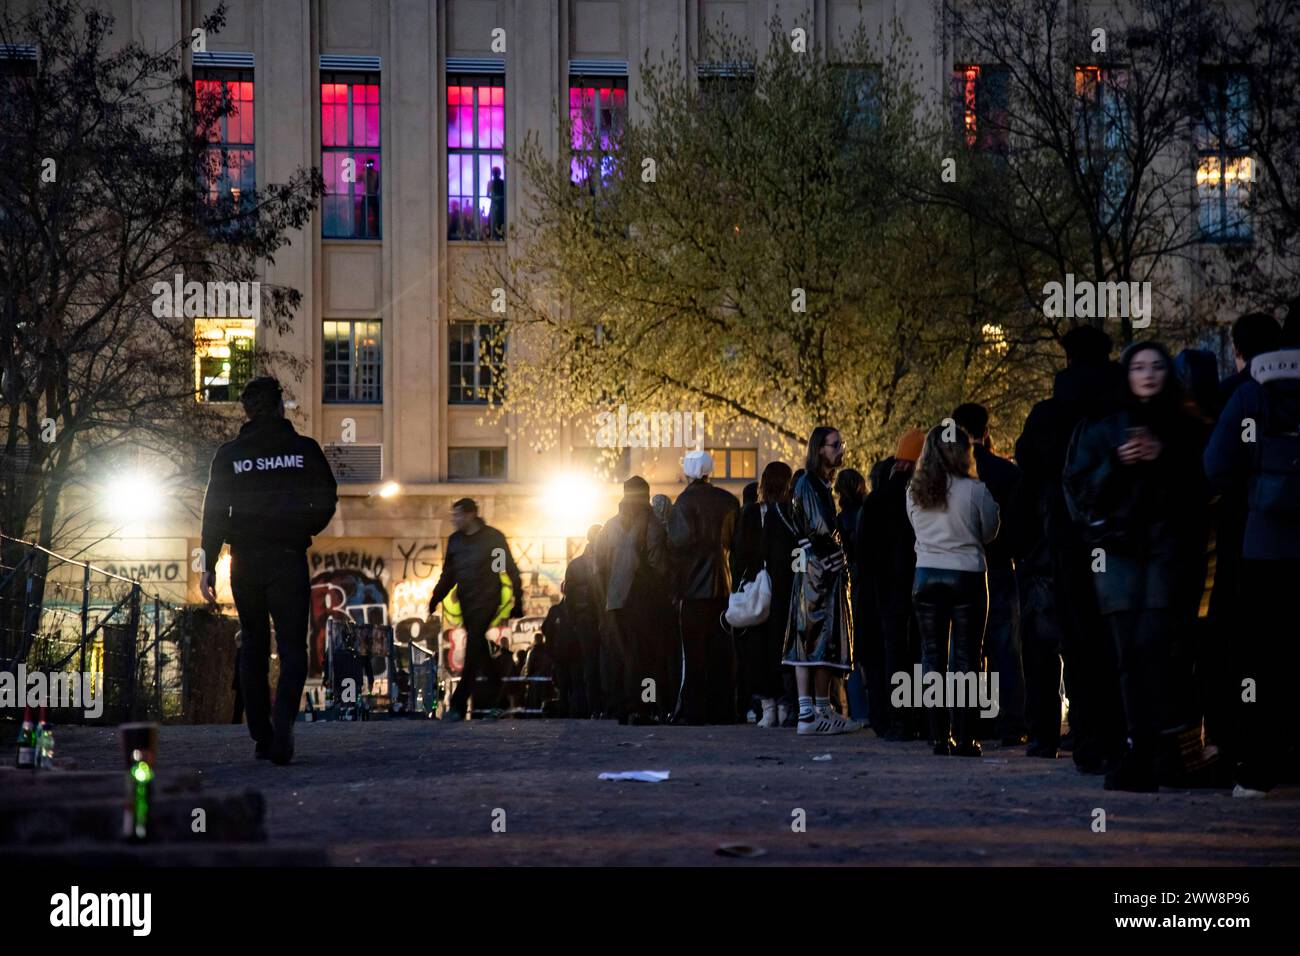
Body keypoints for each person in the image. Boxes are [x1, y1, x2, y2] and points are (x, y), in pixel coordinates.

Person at [1064, 342, 1209, 791]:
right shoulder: (1103, 428)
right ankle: (1142, 749)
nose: (1147, 374)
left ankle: (1167, 753)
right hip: (1120, 553)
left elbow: (1205, 485)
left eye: (1156, 366)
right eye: (1138, 367)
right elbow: (1078, 491)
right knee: (1130, 654)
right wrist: (1117, 463)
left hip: (1168, 551)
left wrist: (1163, 456)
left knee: (1161, 650)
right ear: (1125, 374)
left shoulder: (1186, 427)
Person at [199, 377, 337, 765]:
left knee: (254, 646)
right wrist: (304, 526)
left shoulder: (229, 455)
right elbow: (328, 496)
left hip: (245, 561)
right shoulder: (303, 450)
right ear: (279, 407)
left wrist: (206, 565)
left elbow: (212, 513)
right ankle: (284, 722)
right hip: (288, 557)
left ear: (246, 411)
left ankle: (262, 735)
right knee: (294, 647)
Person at [1015, 326, 1126, 773]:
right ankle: (1120, 735)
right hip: (1119, 538)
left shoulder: (1049, 414)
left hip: (1067, 539)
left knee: (1076, 641)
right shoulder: (1122, 408)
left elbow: (1028, 466)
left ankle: (1087, 739)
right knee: (1119, 641)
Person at [1204, 337, 1300, 796]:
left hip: (1265, 544)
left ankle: (1262, 764)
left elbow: (1216, 464)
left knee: (1260, 659)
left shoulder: (1251, 392)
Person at [907, 425, 1000, 757]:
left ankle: (937, 736)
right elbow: (989, 532)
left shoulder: (914, 492)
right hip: (967, 576)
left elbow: (914, 527)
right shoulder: (975, 491)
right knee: (968, 659)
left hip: (926, 575)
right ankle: (966, 737)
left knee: (932, 658)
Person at [952, 403, 1025, 746]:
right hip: (998, 566)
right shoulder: (1006, 473)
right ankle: (1011, 723)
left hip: (959, 567)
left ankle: (968, 722)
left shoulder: (947, 474)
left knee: (965, 650)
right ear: (986, 429)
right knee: (1005, 649)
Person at [783, 428, 861, 735]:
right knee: (819, 636)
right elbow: (821, 528)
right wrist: (838, 552)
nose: (841, 449)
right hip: (820, 570)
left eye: (842, 443)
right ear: (819, 449)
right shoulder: (810, 484)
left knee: (809, 637)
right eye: (835, 445)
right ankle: (817, 711)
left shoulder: (812, 484)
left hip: (813, 568)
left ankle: (811, 712)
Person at [427, 499, 525, 720]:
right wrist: (435, 598)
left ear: (471, 515)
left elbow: (507, 569)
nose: (454, 519)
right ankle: (500, 701)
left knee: (474, 646)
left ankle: (458, 704)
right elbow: (449, 574)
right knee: (479, 650)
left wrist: (518, 601)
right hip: (467, 602)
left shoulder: (492, 538)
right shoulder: (455, 542)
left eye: (458, 515)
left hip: (488, 599)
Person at [858, 428, 925, 740]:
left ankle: (897, 720)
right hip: (917, 584)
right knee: (920, 653)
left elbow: (863, 552)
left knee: (894, 652)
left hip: (884, 589)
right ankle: (921, 716)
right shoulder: (923, 497)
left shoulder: (876, 499)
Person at [668, 450, 740, 724]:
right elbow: (736, 544)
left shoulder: (684, 503)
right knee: (722, 652)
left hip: (693, 590)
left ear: (688, 472)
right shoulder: (729, 501)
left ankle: (695, 710)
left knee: (694, 654)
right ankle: (723, 709)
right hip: (723, 586)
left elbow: (677, 545)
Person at [595, 476, 671, 724]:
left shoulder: (609, 526)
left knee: (622, 656)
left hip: (616, 601)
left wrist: (606, 599)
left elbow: (599, 567)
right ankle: (644, 708)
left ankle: (622, 708)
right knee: (647, 658)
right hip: (645, 602)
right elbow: (658, 563)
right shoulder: (652, 524)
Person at [734, 461, 799, 728]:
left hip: (759, 587)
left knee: (758, 648)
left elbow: (740, 553)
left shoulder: (751, 512)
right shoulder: (791, 512)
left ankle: (767, 707)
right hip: (785, 587)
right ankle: (785, 705)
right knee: (782, 646)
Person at [562, 525, 603, 718]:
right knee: (596, 662)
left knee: (591, 662)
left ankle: (595, 707)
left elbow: (568, 596)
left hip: (586, 617)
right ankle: (597, 706)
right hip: (594, 617)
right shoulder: (604, 561)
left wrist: (574, 618)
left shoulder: (576, 565)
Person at [488, 166, 506, 239]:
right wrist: (494, 198)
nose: (495, 174)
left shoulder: (503, 183)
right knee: (493, 220)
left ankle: (499, 235)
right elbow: (488, 194)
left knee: (499, 220)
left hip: (501, 205)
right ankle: (493, 235)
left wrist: (499, 198)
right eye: (494, 173)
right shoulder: (491, 183)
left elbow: (505, 194)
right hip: (495, 204)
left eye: (496, 173)